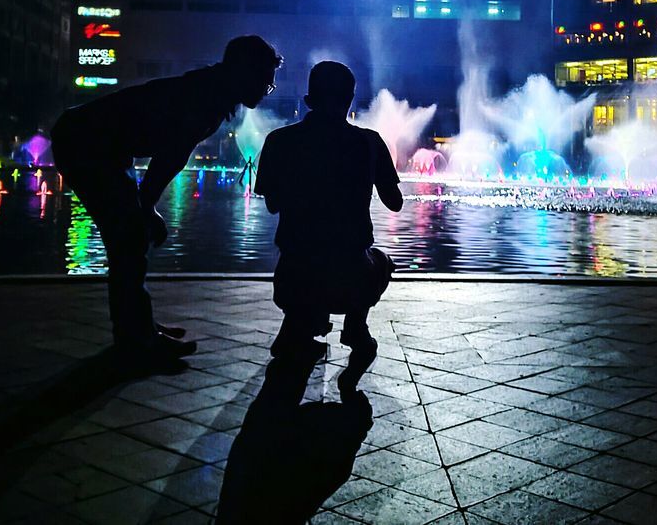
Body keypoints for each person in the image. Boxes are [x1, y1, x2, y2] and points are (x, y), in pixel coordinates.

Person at [51, 35, 282, 363]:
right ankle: (137, 339)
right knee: (129, 237)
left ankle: (137, 326)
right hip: (85, 142)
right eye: (265, 82)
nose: (266, 90)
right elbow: (171, 156)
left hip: (106, 147)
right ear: (244, 72)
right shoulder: (205, 99)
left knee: (130, 237)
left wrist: (147, 206)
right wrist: (147, 207)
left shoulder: (209, 90)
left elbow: (168, 155)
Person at [254, 61, 402, 378]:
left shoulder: (279, 141)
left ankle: (298, 325)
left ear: (309, 100)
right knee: (382, 260)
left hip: (293, 278)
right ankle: (355, 328)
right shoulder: (369, 142)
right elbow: (395, 203)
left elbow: (273, 205)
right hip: (350, 278)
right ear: (349, 100)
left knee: (304, 260)